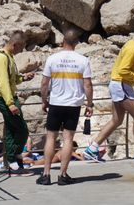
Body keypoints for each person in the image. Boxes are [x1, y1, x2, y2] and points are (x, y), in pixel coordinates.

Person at [85, 25, 134, 162]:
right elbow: (124, 71)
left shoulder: (130, 45)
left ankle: (92, 148)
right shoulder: (133, 49)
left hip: (118, 84)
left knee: (117, 120)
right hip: (121, 85)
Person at [38, 29, 93, 186]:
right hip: (73, 105)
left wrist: (44, 100)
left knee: (50, 137)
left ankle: (46, 174)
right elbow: (87, 85)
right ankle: (62, 175)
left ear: (63, 41)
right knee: (68, 139)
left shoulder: (52, 59)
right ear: (76, 43)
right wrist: (89, 104)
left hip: (55, 103)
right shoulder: (83, 60)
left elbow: (44, 83)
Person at [0, 31, 35, 174]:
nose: (21, 51)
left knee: (11, 130)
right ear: (15, 45)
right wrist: (10, 104)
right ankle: (13, 157)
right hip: (5, 99)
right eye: (21, 48)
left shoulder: (9, 57)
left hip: (10, 98)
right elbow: (2, 82)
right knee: (22, 130)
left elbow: (12, 79)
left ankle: (14, 162)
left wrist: (23, 78)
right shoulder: (1, 59)